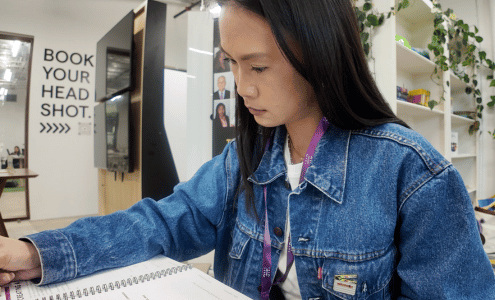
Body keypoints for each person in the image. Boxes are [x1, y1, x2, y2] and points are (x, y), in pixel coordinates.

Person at [0, 1, 494, 299]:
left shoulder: (414, 176)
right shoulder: (244, 160)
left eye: (257, 68)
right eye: (232, 64)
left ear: (319, 54)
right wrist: (35, 252)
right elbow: (158, 223)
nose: (241, 88)